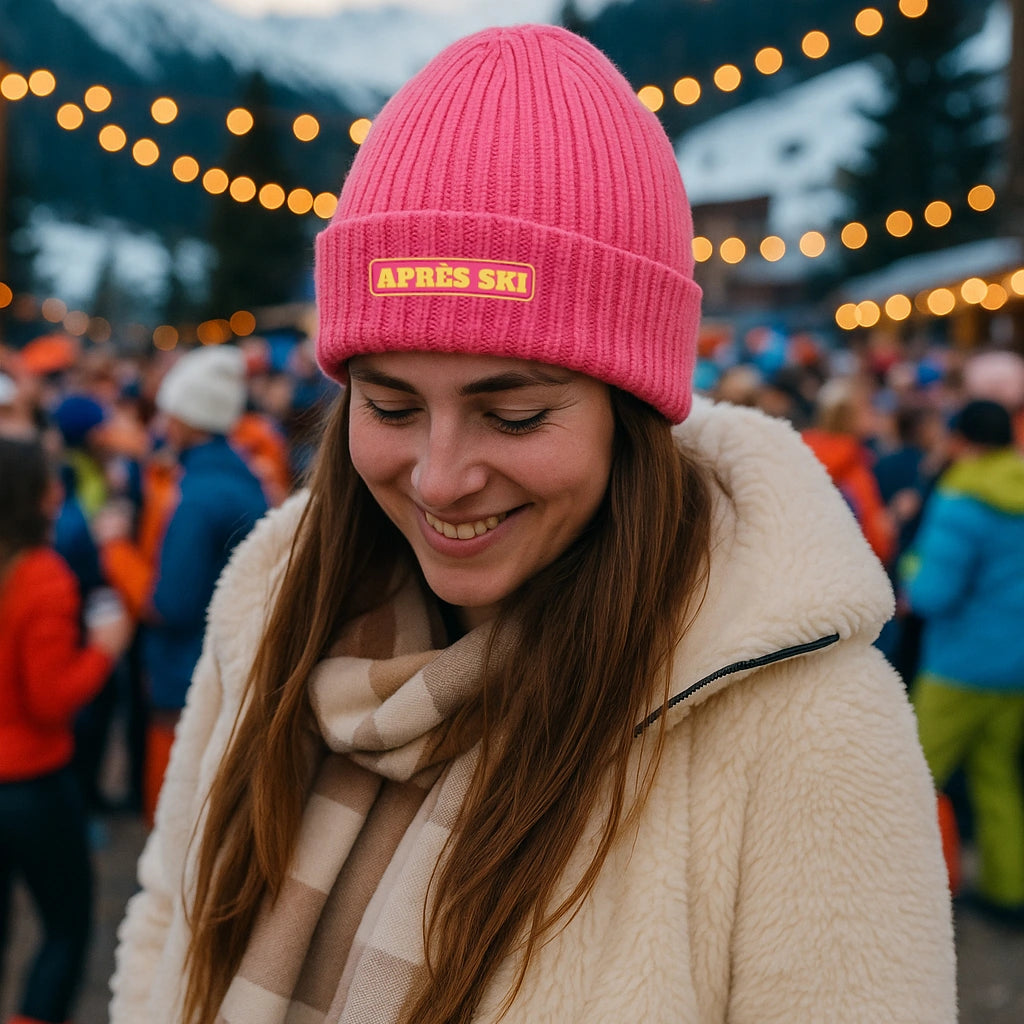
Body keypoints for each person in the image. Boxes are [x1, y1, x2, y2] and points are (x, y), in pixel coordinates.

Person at [111, 25, 955, 1024]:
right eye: (388, 406)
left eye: (512, 414)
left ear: (628, 414)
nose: (439, 476)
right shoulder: (271, 599)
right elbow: (169, 923)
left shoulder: (804, 721)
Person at [95, 345, 269, 826]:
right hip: (223, 661)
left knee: (175, 815)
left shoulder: (195, 497)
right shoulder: (238, 474)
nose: (162, 421)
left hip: (183, 677)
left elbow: (167, 602)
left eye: (171, 411)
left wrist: (114, 549)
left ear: (190, 418)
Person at [0, 436, 133, 1024]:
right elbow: (52, 701)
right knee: (66, 927)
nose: (59, 493)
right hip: (32, 782)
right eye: (48, 484)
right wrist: (105, 651)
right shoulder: (41, 578)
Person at [904, 398, 1024, 924]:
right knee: (996, 777)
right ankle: (1009, 890)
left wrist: (910, 568)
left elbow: (932, 593)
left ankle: (900, 899)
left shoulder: (960, 499)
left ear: (962, 440)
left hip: (959, 665)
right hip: (1015, 664)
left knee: (909, 777)